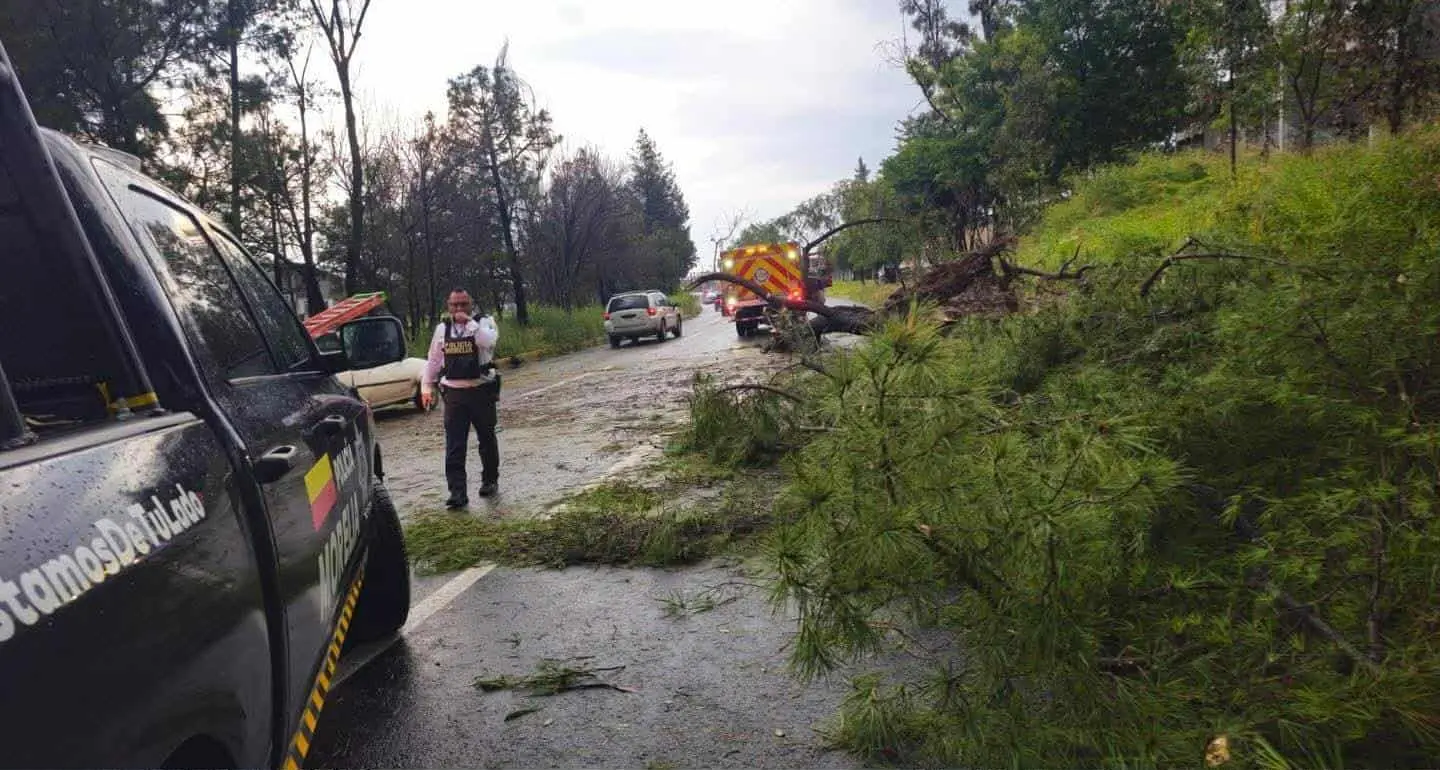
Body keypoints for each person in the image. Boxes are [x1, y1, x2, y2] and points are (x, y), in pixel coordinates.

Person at [420, 288, 500, 508]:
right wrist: (426, 386)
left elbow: (488, 343)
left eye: (463, 304)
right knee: (455, 445)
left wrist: (469, 324)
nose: (459, 309)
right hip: (454, 394)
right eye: (454, 305)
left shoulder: (484, 323)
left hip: (481, 391)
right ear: (448, 306)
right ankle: (457, 492)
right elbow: (434, 360)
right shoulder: (442, 329)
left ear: (471, 304)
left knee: (486, 438)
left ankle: (490, 480)